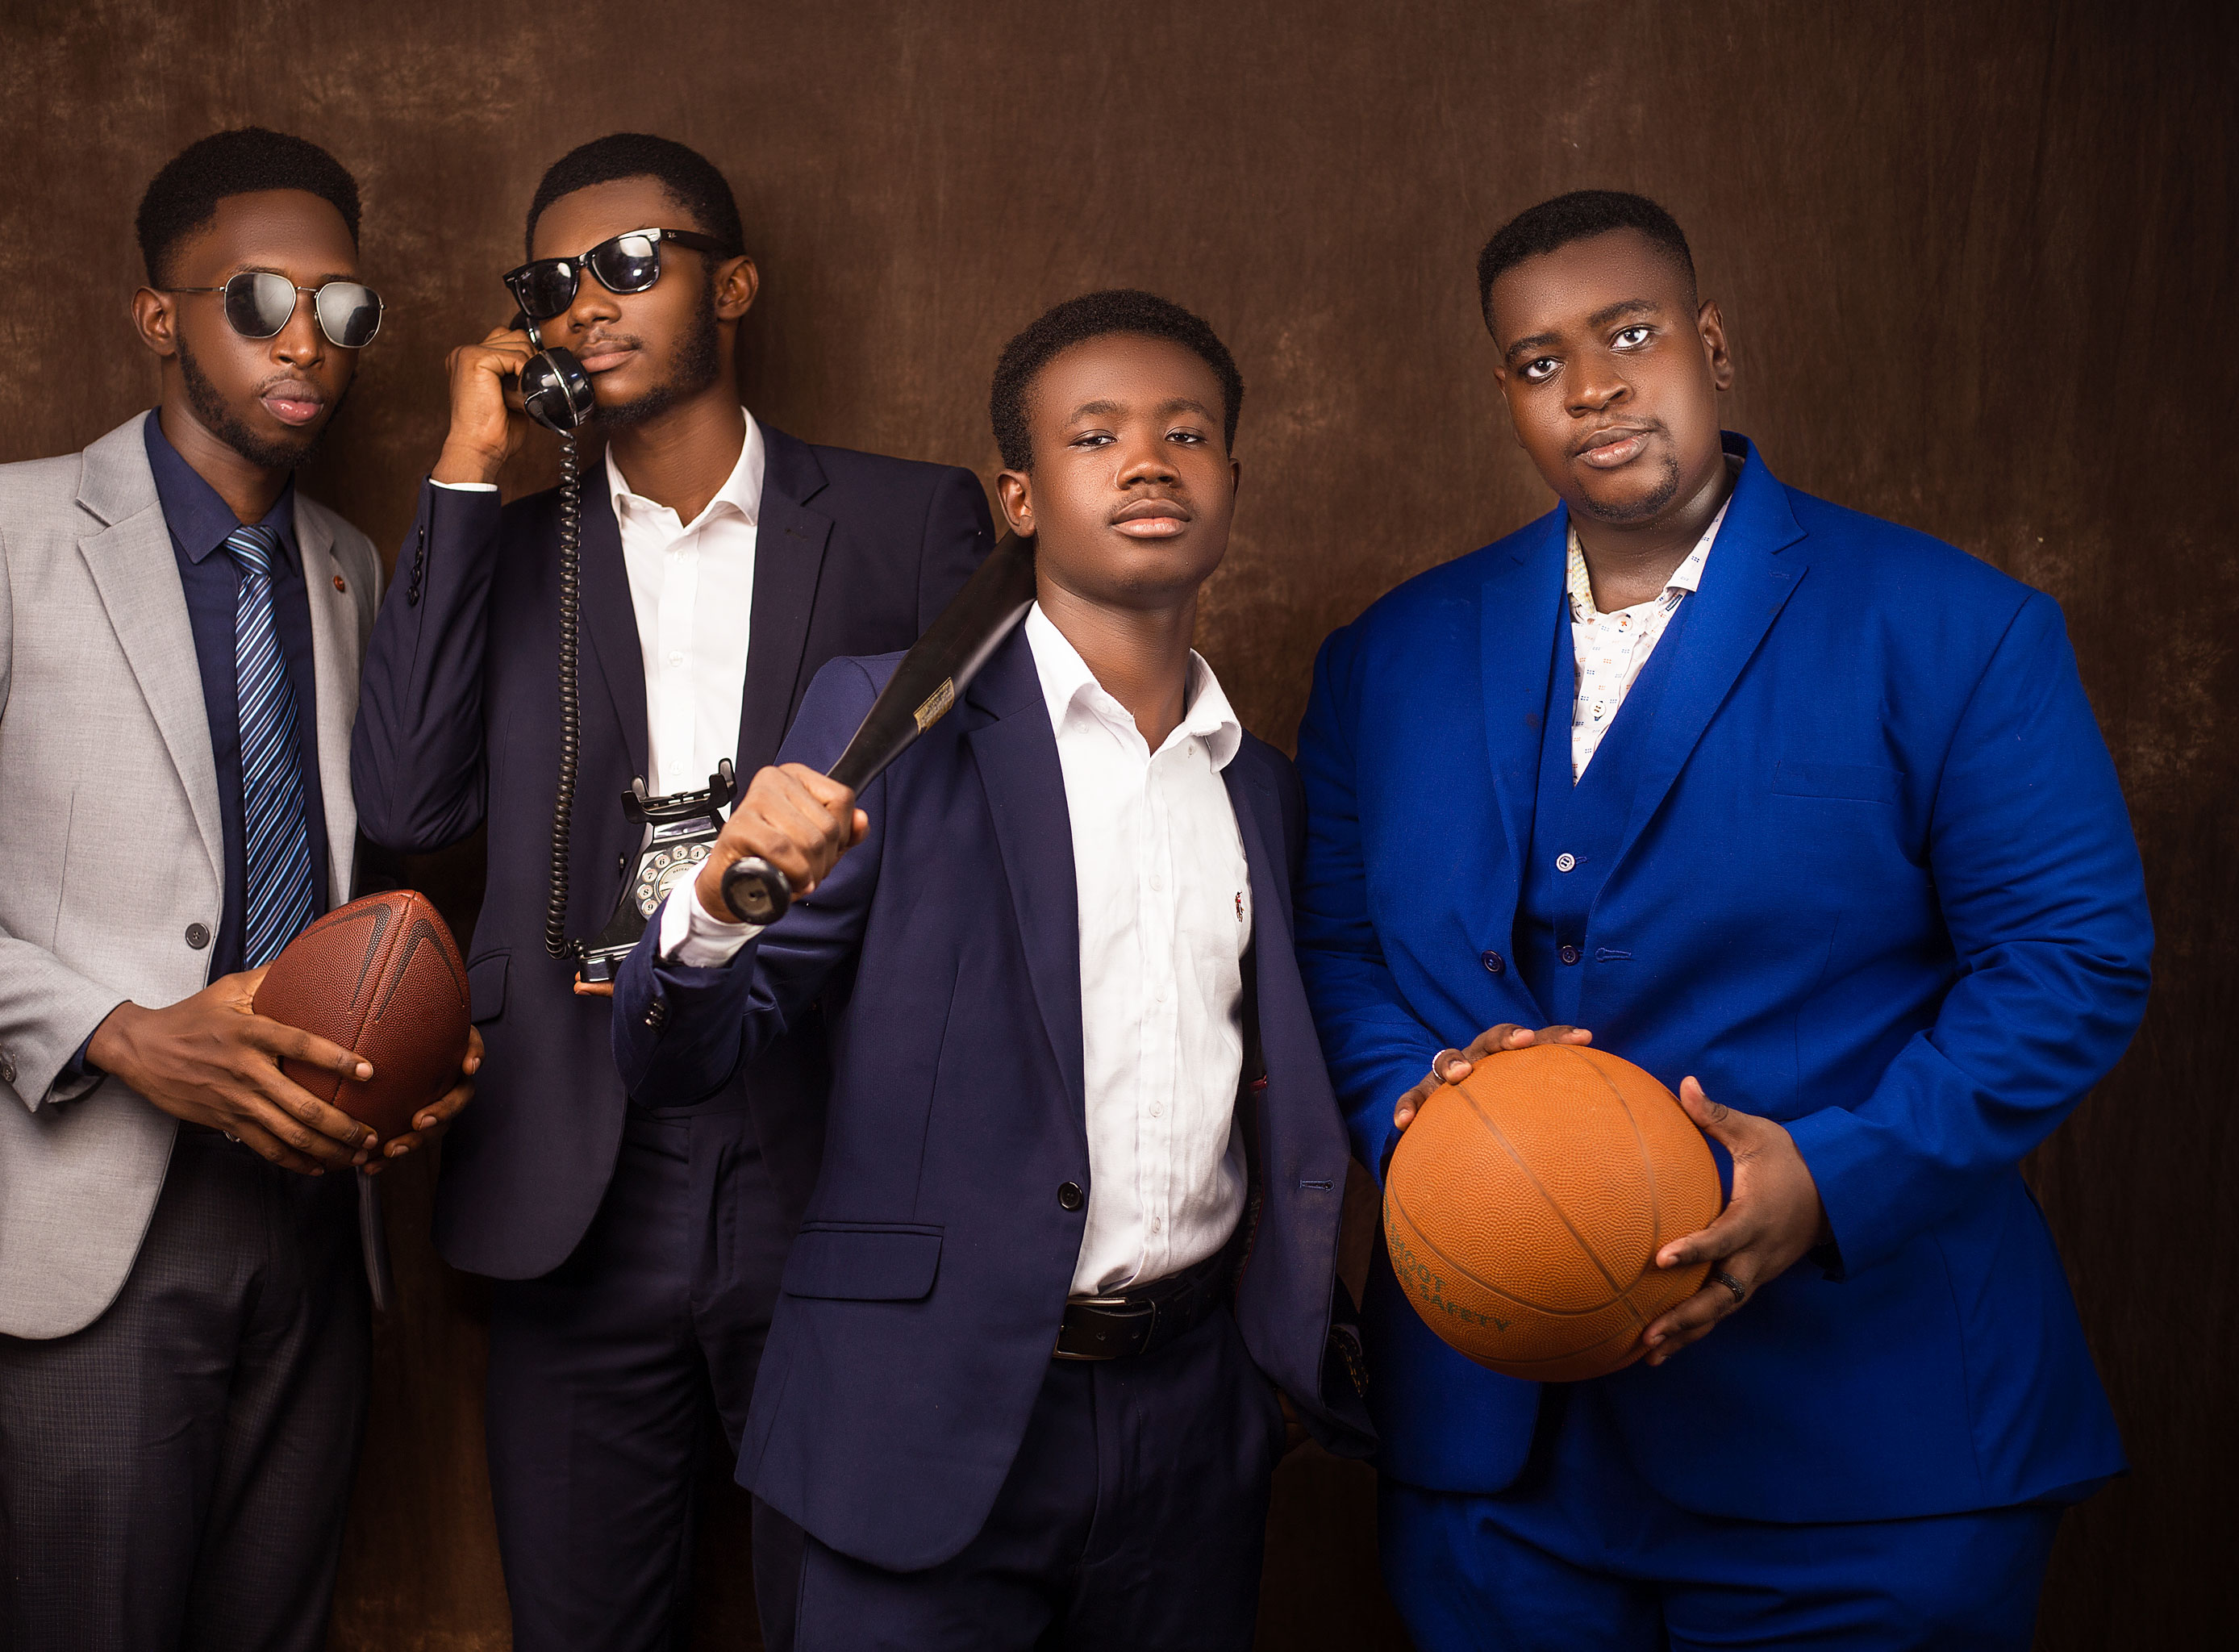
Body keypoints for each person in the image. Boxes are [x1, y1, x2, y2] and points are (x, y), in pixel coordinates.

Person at [1295, 189, 2152, 1650]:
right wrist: (1430, 1135)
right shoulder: (1390, 653)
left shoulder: (1953, 626)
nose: (1597, 385)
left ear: (1712, 342)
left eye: (1631, 335)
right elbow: (1341, 944)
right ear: (1507, 396)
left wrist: (1833, 1177)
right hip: (1498, 1471)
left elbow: (2071, 966)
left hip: (1870, 1457)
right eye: (1542, 358)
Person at [610, 289, 1374, 1650]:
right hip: (916, 1423)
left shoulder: (1266, 790)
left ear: (1231, 484)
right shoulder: (889, 717)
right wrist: (720, 900)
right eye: (1097, 436)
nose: (1149, 460)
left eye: (1186, 434)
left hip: (1193, 1428)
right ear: (1019, 498)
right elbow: (683, 1054)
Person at [0, 127, 478, 1652]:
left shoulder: (351, 564)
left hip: (311, 1219)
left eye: (345, 308)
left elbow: (365, 874)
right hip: (80, 1223)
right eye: (257, 299)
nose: (308, 341)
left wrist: (416, 1046)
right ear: (158, 316)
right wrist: (122, 1030)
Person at [350, 133, 990, 1650]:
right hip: (569, 1168)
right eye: (553, 281)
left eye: (634, 261)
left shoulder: (911, 523)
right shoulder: (501, 547)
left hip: (833, 1153)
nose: (589, 301)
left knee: (855, 1616)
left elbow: (978, 832)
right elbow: (408, 802)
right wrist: (462, 468)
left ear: (737, 283)